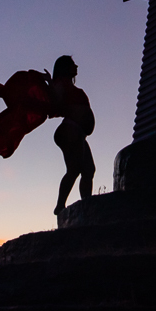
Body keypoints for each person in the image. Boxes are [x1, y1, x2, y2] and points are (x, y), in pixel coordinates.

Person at [49, 55, 95, 216]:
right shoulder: (61, 84)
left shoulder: (68, 86)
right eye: (73, 64)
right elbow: (55, 101)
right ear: (65, 68)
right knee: (74, 169)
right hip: (70, 129)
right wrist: (51, 88)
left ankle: (86, 204)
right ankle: (60, 206)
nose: (77, 67)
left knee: (89, 169)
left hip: (79, 133)